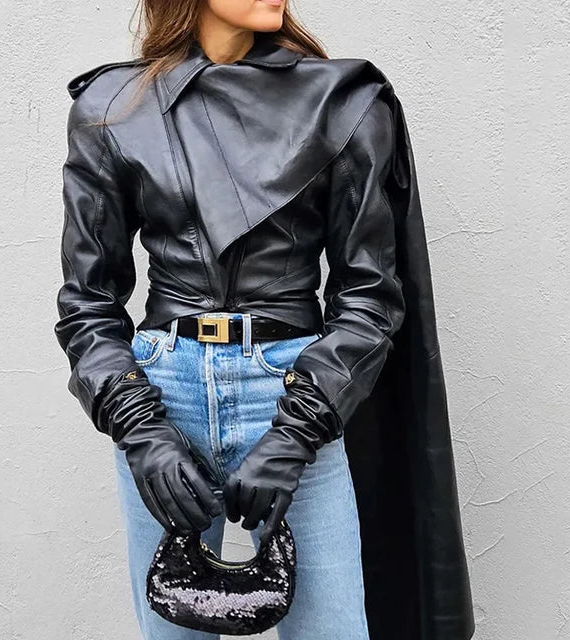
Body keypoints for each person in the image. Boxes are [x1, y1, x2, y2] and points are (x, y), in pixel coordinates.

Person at [54, 1, 475, 639]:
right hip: (161, 398)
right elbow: (87, 300)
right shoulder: (114, 107)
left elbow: (370, 297)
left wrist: (294, 436)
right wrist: (140, 430)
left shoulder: (340, 102)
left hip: (293, 394)